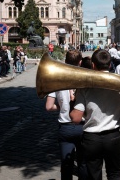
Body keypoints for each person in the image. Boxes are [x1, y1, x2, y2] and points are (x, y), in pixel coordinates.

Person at [70, 50, 120, 180]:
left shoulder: (85, 87)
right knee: (114, 173)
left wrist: (72, 103)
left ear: (93, 65)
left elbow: (75, 118)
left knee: (94, 175)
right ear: (110, 65)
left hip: (92, 138)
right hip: (113, 135)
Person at [45, 49, 87, 180]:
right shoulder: (87, 78)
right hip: (83, 126)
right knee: (83, 163)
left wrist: (63, 106)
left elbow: (49, 106)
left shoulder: (56, 79)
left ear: (65, 61)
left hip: (65, 127)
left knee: (66, 165)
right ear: (80, 62)